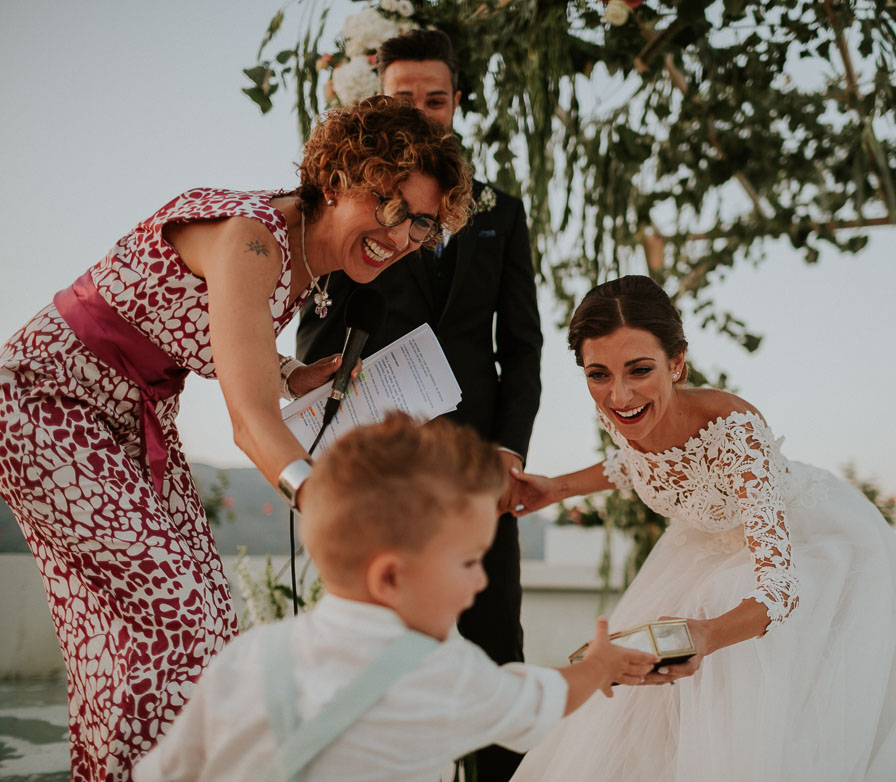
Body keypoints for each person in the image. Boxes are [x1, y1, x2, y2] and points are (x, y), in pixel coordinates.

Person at [0, 97, 472, 782]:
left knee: (210, 621)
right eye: (388, 204)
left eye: (422, 223)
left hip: (129, 416)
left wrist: (289, 373)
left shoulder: (308, 254)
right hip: (45, 401)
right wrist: (334, 507)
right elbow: (250, 425)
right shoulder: (254, 238)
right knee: (177, 611)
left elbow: (205, 321)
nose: (400, 236)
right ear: (338, 178)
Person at [508, 275, 896, 781]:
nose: (619, 396)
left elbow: (780, 588)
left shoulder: (734, 432)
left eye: (639, 370)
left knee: (740, 675)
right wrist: (556, 487)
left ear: (677, 364)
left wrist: (707, 636)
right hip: (704, 547)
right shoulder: (628, 417)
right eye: (597, 374)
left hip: (804, 548)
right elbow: (637, 463)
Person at [131, 411, 656, 782]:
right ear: (390, 579)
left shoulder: (247, 657)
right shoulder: (444, 674)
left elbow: (163, 773)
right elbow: (537, 701)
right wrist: (599, 665)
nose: (480, 581)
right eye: (469, 562)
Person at [296, 29, 542, 781]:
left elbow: (522, 343)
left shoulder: (500, 209)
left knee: (495, 636)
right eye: (406, 99)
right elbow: (313, 340)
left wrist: (509, 450)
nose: (424, 113)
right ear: (379, 101)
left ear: (457, 103)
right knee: (382, 640)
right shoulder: (342, 204)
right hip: (386, 454)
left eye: (436, 99)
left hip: (477, 461)